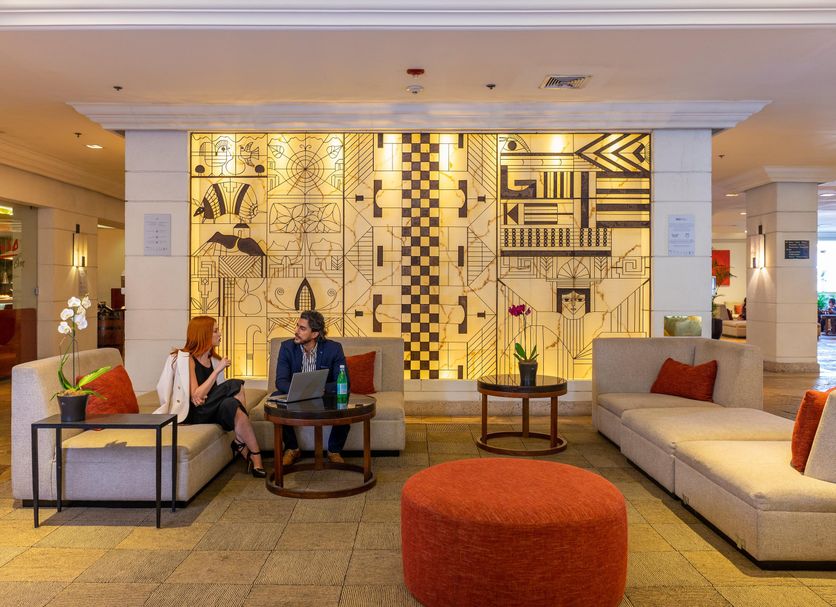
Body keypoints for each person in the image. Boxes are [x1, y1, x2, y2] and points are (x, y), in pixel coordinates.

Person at [156, 315, 265, 477]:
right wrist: (218, 370)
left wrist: (205, 388)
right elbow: (196, 396)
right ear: (204, 334)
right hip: (195, 412)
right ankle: (248, 448)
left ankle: (252, 456)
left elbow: (208, 394)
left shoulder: (213, 359)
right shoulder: (187, 359)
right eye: (215, 331)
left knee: (232, 404)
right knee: (234, 383)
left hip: (210, 407)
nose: (219, 334)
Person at [274, 310, 350, 466]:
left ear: (315, 334)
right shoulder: (287, 347)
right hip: (296, 395)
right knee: (275, 398)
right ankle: (292, 448)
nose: (296, 331)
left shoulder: (334, 348)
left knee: (343, 398)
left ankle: (334, 450)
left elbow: (343, 382)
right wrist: (302, 390)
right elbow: (281, 382)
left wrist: (321, 389)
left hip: (323, 396)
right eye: (297, 326)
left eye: (302, 328)